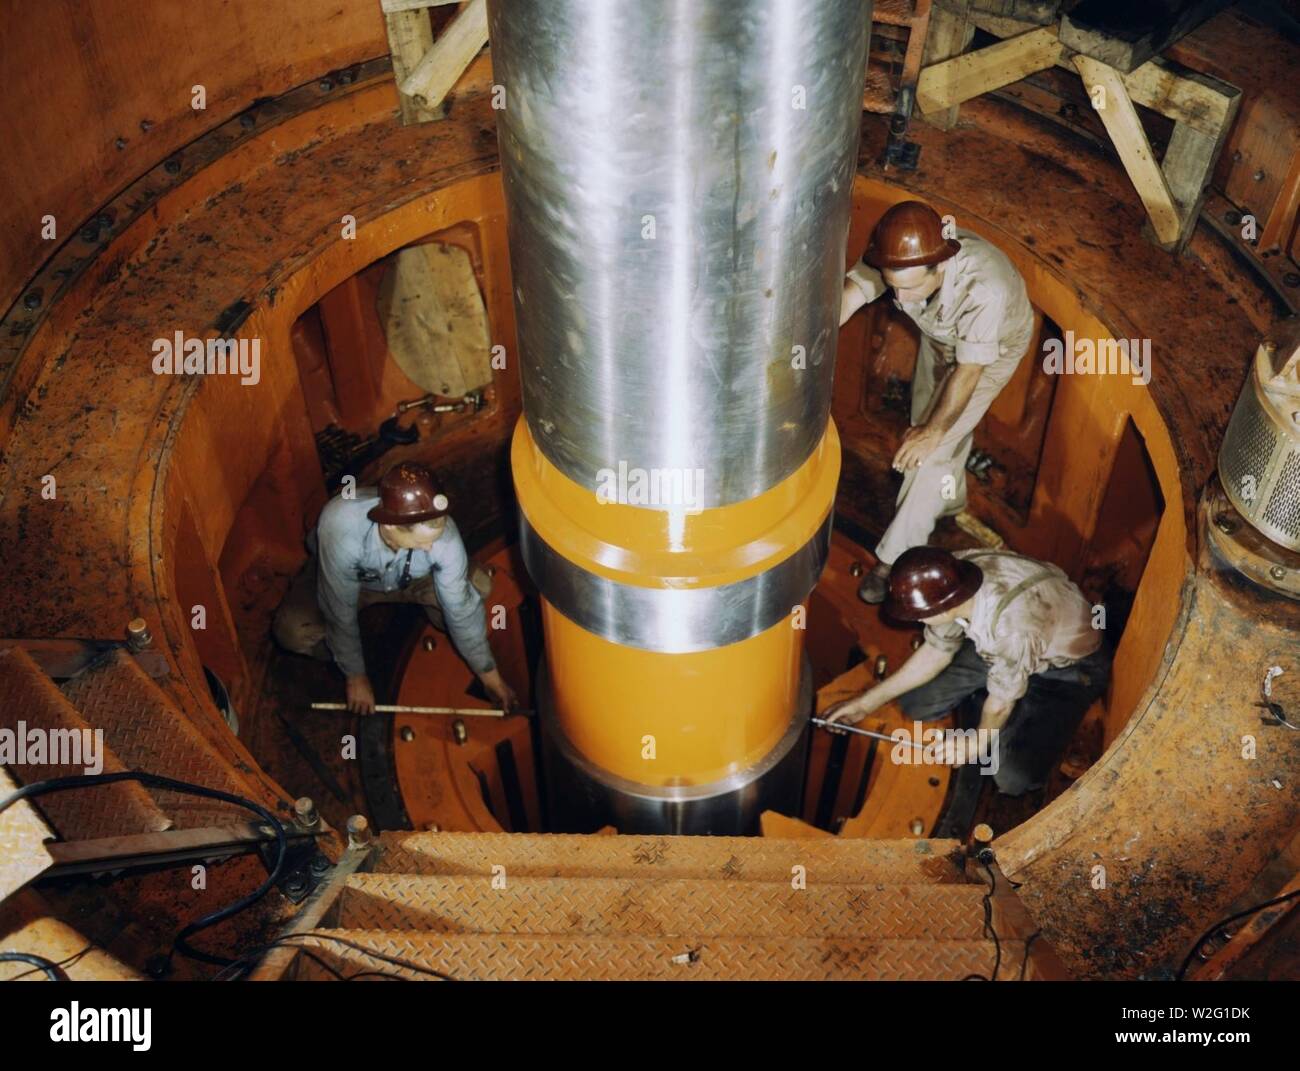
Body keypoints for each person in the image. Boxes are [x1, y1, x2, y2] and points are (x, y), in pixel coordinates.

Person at [840, 201, 1035, 604]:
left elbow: (969, 372)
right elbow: (854, 292)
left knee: (927, 453)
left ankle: (892, 558)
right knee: (923, 427)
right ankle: (951, 499)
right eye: (893, 284)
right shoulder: (899, 255)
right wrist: (811, 339)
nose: (898, 294)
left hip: (990, 354)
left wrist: (933, 433)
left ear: (940, 266)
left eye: (908, 287)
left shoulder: (987, 288)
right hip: (941, 339)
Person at [823, 546, 1109, 796]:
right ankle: (1000, 704)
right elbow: (937, 652)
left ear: (945, 604)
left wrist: (977, 741)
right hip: (1010, 645)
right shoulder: (955, 573)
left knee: (1011, 778)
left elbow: (1001, 700)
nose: (917, 620)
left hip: (1067, 670)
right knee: (917, 705)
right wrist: (865, 703)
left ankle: (1014, 717)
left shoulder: (1010, 628)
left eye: (920, 614)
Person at [273, 460, 516, 715]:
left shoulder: (441, 536)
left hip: (414, 579)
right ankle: (341, 656)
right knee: (293, 630)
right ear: (389, 525)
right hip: (355, 584)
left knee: (477, 587)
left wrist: (489, 675)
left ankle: (438, 622)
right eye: (422, 542)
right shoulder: (342, 529)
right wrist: (355, 676)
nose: (431, 548)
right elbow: (338, 610)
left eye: (436, 537)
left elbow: (462, 609)